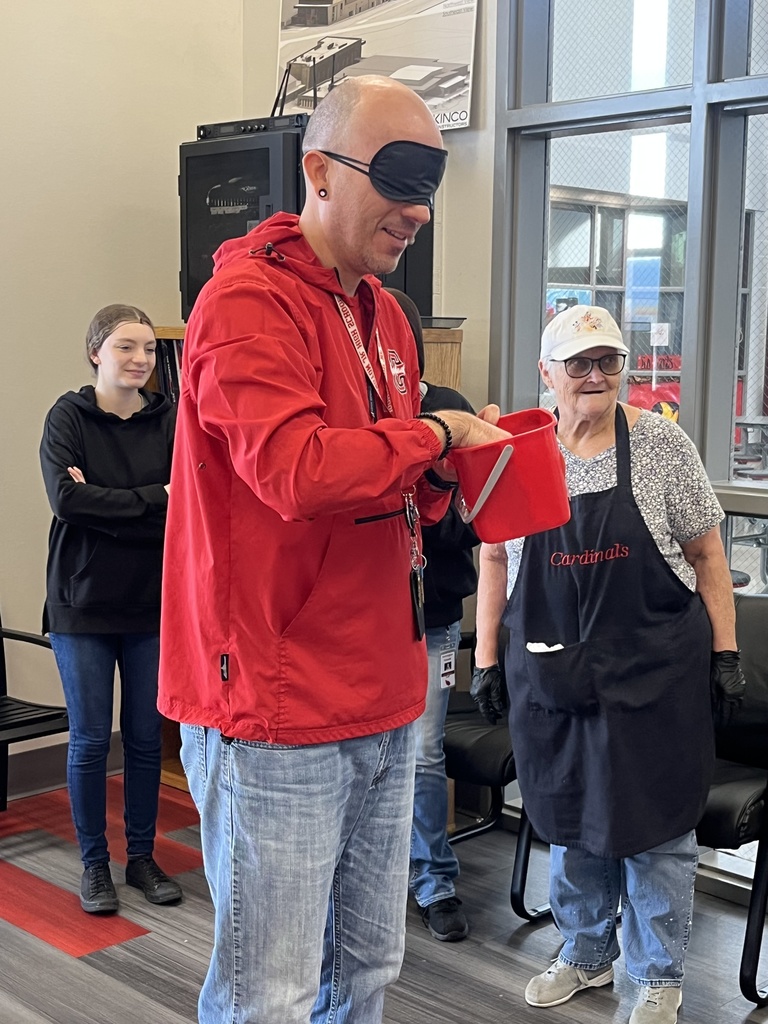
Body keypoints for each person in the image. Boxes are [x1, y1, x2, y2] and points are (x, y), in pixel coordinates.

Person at [158, 76, 510, 1024]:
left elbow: (386, 487)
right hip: (277, 707)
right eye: (398, 179)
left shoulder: (389, 316)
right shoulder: (244, 302)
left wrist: (443, 475)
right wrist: (435, 435)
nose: (418, 210)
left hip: (384, 689)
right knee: (268, 992)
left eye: (430, 184)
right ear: (319, 170)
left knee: (365, 969)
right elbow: (297, 471)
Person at [470, 305, 746, 1024]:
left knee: (657, 830)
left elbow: (707, 554)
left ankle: (658, 976)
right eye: (579, 363)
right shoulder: (516, 450)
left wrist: (726, 652)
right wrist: (487, 659)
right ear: (546, 372)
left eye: (608, 361)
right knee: (569, 817)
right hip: (553, 676)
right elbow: (495, 557)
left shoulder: (661, 445)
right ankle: (586, 954)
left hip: (653, 673)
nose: (595, 376)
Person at [39, 304, 183, 915]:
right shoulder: (67, 416)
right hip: (82, 600)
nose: (141, 359)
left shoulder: (171, 417)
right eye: (126, 346)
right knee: (92, 740)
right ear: (96, 351)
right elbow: (66, 501)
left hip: (152, 600)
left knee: (147, 738)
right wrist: (154, 499)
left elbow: (188, 503)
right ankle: (94, 864)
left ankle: (142, 857)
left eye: (148, 348)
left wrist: (106, 502)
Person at [386, 287, 478, 942]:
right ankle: (371, 876)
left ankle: (433, 882)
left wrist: (420, 512)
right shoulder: (357, 413)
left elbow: (474, 519)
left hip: (433, 613)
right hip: (361, 618)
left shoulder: (451, 411)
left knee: (421, 753)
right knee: (361, 755)